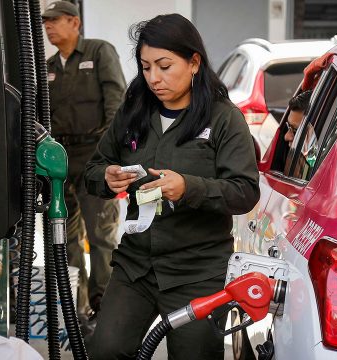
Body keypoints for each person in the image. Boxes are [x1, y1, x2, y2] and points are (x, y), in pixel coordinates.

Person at [84, 13, 260, 359]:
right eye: (146, 67)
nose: (153, 78)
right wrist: (106, 177)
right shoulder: (133, 112)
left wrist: (189, 187)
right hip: (136, 266)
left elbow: (244, 191)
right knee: (105, 349)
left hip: (198, 272)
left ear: (194, 62)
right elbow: (93, 169)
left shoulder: (224, 118)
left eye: (164, 66)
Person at [42, 0, 126, 323]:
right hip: (59, 159)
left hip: (95, 155)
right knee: (64, 234)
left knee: (101, 234)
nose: (48, 27)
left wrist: (108, 154)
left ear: (75, 23)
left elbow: (116, 103)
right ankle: (73, 307)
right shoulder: (48, 65)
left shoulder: (99, 52)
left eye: (55, 21)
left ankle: (103, 306)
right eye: (45, 22)